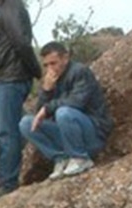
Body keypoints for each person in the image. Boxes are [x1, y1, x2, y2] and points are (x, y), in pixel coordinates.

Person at [20, 42, 114, 180]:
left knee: (63, 112)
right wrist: (46, 91)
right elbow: (39, 114)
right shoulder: (51, 79)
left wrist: (47, 108)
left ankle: (80, 158)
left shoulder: (80, 72)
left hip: (92, 133)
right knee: (26, 123)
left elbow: (76, 103)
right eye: (46, 65)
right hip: (66, 136)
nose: (50, 69)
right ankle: (61, 158)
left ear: (65, 58)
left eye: (53, 63)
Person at [0, 0, 42, 201]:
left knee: (5, 131)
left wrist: (36, 71)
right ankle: (9, 177)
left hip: (12, 77)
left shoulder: (10, 6)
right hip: (7, 76)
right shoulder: (2, 8)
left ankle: (8, 182)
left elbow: (21, 42)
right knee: (9, 128)